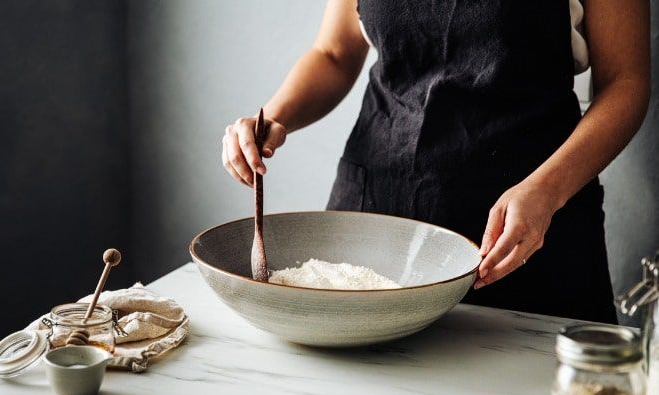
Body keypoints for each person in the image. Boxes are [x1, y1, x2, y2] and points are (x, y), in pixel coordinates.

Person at [220, 0, 649, 323]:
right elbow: (334, 52)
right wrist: (273, 117)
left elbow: (626, 82)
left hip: (526, 230)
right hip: (376, 216)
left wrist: (548, 190)